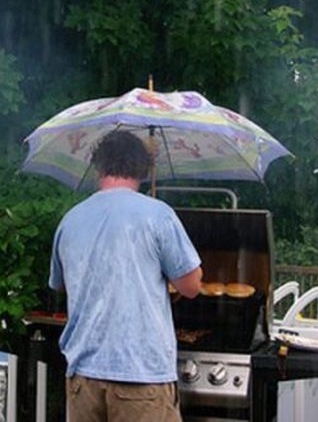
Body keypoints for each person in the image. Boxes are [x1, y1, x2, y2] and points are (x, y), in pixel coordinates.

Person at [49, 129, 203, 422]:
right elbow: (192, 286)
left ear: (99, 167)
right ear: (142, 169)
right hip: (140, 376)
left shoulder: (70, 220)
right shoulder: (158, 215)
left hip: (83, 379)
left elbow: (62, 285)